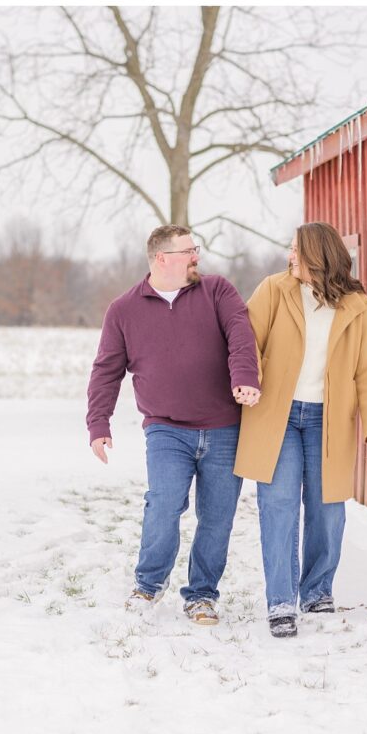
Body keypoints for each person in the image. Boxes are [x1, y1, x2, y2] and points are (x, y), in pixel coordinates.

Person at [86, 224, 260, 625]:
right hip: (166, 428)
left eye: (195, 249)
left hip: (224, 427)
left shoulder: (217, 291)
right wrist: (99, 423)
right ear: (162, 258)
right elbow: (106, 371)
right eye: (188, 251)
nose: (196, 256)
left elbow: (240, 336)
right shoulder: (124, 309)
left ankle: (201, 595)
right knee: (163, 504)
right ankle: (148, 585)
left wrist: (244, 377)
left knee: (217, 515)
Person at [234, 222, 367, 638]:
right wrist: (250, 380)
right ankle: (281, 601)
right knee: (278, 505)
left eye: (296, 249)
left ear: (317, 255)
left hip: (330, 418)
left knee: (326, 510)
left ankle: (317, 591)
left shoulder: (359, 306)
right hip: (278, 416)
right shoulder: (273, 290)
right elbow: (246, 344)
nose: (290, 255)